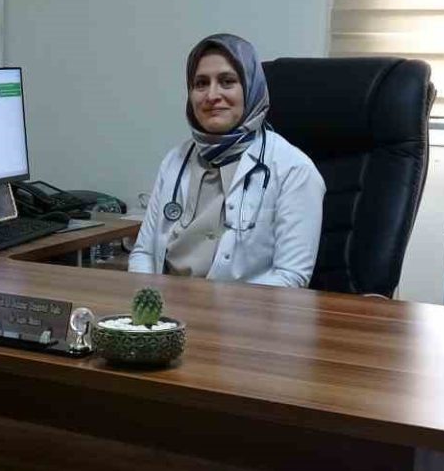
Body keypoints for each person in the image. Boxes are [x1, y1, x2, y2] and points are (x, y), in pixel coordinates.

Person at [129, 33, 325, 287]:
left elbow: (291, 276)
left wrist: (215, 308)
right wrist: (147, 303)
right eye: (201, 83)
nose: (212, 95)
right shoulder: (175, 161)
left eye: (227, 81)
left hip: (245, 310)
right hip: (164, 306)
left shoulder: (294, 169)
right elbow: (144, 253)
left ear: (251, 89)